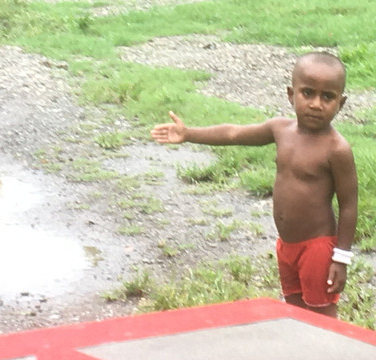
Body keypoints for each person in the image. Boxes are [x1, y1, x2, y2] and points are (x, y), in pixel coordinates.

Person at [151, 51, 357, 318]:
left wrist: (341, 258)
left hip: (316, 248)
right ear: (290, 94)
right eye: (308, 93)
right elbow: (233, 133)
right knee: (294, 312)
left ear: (341, 103)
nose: (316, 104)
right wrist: (189, 134)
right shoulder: (280, 130)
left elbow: (349, 204)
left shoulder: (337, 149)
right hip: (287, 246)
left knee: (321, 315)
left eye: (327, 97)